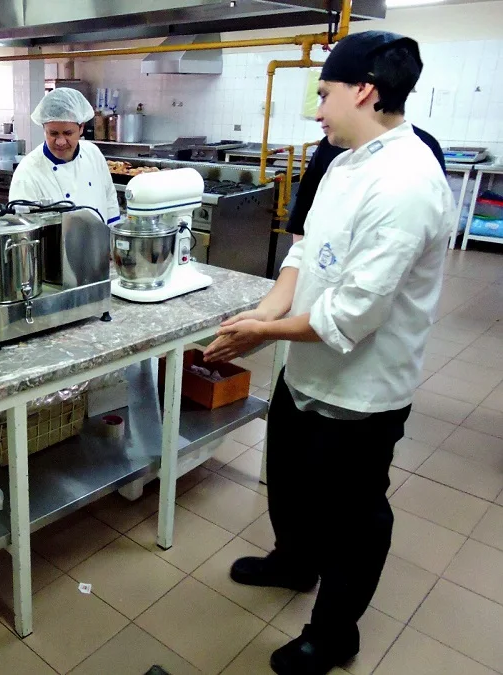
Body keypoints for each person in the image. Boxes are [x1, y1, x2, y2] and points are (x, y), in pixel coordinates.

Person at [203, 31, 454, 675]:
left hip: (362, 388)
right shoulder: (345, 159)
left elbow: (354, 315)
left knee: (354, 514)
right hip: (306, 371)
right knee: (287, 477)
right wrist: (267, 309)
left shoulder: (406, 183)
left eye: (325, 93)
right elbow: (303, 250)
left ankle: (336, 632)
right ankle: (293, 561)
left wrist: (262, 334)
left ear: (364, 90)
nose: (317, 109)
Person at [287, 128, 446, 239]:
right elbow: (305, 205)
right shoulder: (333, 150)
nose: (318, 114)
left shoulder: (422, 150)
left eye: (325, 96)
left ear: (362, 92)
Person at [9, 88, 121, 226]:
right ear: (44, 129)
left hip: (101, 245)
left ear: (81, 128)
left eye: (68, 133)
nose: (60, 141)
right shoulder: (28, 172)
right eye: (53, 133)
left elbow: (109, 198)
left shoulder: (93, 154)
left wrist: (114, 241)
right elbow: (22, 228)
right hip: (53, 247)